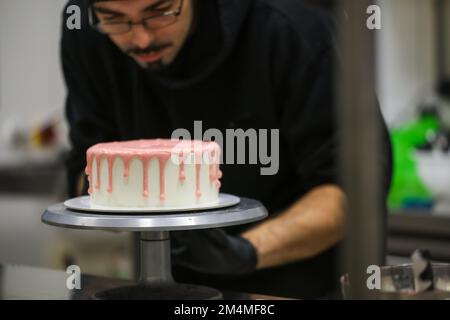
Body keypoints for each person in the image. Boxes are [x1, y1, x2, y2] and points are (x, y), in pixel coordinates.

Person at [62, 0, 392, 299]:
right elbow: (85, 167)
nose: (142, 39)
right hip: (175, 290)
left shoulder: (291, 25)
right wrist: (122, 202)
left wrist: (244, 251)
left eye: (160, 11)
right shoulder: (87, 33)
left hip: (300, 283)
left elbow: (353, 188)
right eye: (114, 18)